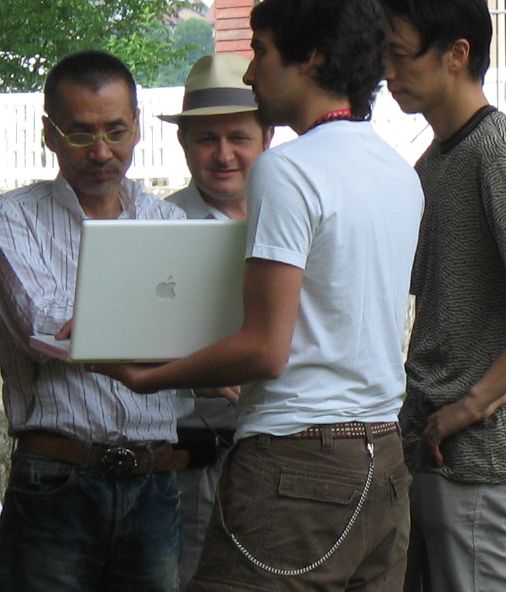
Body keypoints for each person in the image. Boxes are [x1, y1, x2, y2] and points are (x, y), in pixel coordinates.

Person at [93, 0, 424, 589]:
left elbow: (265, 350)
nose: (250, 72)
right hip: (385, 458)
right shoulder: (398, 171)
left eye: (261, 50)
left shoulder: (288, 170)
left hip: (296, 464)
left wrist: (149, 376)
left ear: (312, 57)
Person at [378, 1, 506, 590]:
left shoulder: (496, 149)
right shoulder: (436, 159)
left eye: (399, 52)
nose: (387, 70)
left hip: (479, 457)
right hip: (435, 450)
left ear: (456, 54)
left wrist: (473, 403)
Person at [0, 50, 185, 592]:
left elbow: (201, 332)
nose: (101, 152)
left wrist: (102, 321)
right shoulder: (13, 219)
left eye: (115, 131)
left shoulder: (168, 221)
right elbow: (43, 328)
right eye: (80, 134)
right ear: (48, 134)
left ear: (137, 129)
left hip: (157, 480)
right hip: (57, 480)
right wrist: (163, 328)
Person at [158, 52, 272, 591]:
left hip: (282, 456)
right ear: (184, 144)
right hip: (192, 460)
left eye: (238, 137)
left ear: (266, 137)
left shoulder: (295, 216)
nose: (223, 154)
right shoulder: (155, 227)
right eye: (206, 139)